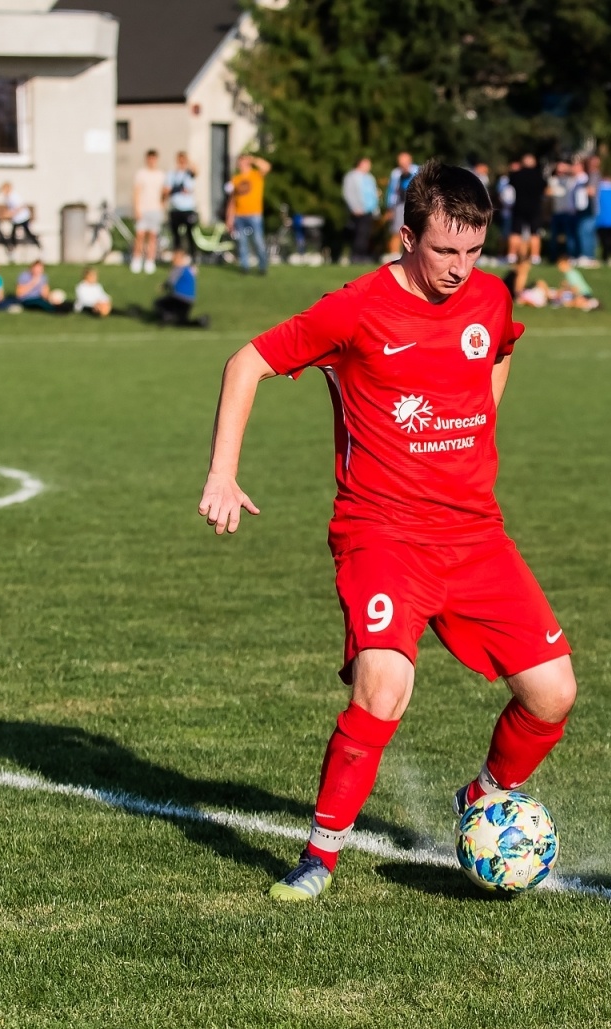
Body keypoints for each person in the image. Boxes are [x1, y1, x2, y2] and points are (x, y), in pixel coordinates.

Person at [197, 161, 576, 902]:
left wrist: (476, 427)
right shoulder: (355, 310)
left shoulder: (489, 298)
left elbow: (498, 350)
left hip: (475, 536)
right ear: (407, 237)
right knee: (384, 683)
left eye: (474, 252)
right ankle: (320, 855)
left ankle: (487, 795)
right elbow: (247, 362)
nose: (461, 270)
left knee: (554, 695)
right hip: (383, 533)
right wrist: (222, 474)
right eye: (444, 252)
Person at [226, 152, 271, 275]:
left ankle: (263, 267)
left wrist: (253, 159)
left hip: (254, 214)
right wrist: (229, 217)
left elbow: (267, 167)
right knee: (242, 242)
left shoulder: (256, 175)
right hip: (239, 215)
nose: (241, 163)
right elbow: (232, 200)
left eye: (243, 161)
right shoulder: (236, 179)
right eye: (240, 161)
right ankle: (244, 267)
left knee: (258, 241)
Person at [131, 149, 166, 275]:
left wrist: (162, 206)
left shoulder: (161, 175)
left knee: (153, 236)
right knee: (140, 235)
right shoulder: (141, 174)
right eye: (149, 158)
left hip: (155, 209)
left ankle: (150, 261)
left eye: (153, 158)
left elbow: (164, 193)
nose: (151, 161)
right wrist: (136, 208)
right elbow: (136, 192)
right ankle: (136, 259)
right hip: (143, 208)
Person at [507, 152, 546, 265]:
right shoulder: (539, 176)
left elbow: (509, 190)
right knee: (535, 233)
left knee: (515, 232)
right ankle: (535, 256)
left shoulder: (515, 175)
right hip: (535, 207)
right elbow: (545, 191)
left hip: (519, 206)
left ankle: (512, 255)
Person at [155, 249, 208, 327]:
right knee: (181, 321)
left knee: (159, 303)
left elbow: (171, 282)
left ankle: (167, 316)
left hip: (179, 298)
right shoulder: (189, 269)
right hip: (189, 300)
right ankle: (199, 322)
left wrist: (163, 286)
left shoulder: (178, 269)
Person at [341, 156, 379, 263]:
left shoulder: (369, 177)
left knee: (366, 233)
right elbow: (348, 193)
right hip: (358, 210)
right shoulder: (352, 176)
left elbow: (372, 193)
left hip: (369, 210)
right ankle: (356, 255)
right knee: (359, 233)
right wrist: (354, 207)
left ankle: (363, 254)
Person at [384, 151, 417, 259]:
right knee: (396, 229)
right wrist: (390, 207)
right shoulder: (395, 173)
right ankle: (395, 254)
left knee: (415, 229)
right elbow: (392, 191)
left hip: (415, 204)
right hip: (399, 205)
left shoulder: (417, 171)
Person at [165, 150, 198, 257]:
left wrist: (189, 161)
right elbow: (167, 190)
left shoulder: (189, 174)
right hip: (175, 208)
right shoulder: (172, 174)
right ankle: (178, 257)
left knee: (189, 234)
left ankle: (192, 257)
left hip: (188, 208)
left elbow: (195, 170)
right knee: (176, 236)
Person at [0, 182, 37, 250]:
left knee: (27, 233)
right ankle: (13, 248)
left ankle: (38, 246)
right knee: (13, 234)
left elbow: (20, 206)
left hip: (22, 217)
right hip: (16, 219)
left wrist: (12, 213)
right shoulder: (7, 197)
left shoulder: (14, 196)